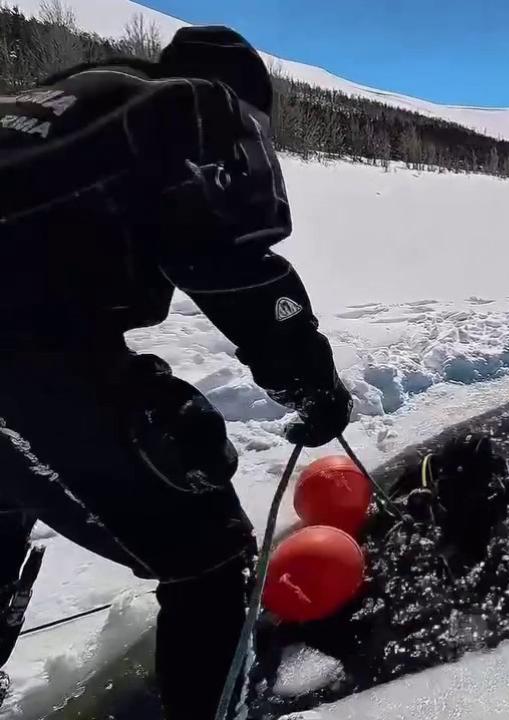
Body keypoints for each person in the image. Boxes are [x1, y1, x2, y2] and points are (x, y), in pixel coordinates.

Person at [0, 26, 352, 718]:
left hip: (31, 327)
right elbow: (233, 265)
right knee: (207, 549)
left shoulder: (68, 100)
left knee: (7, 494)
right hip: (25, 345)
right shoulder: (198, 106)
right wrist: (309, 380)